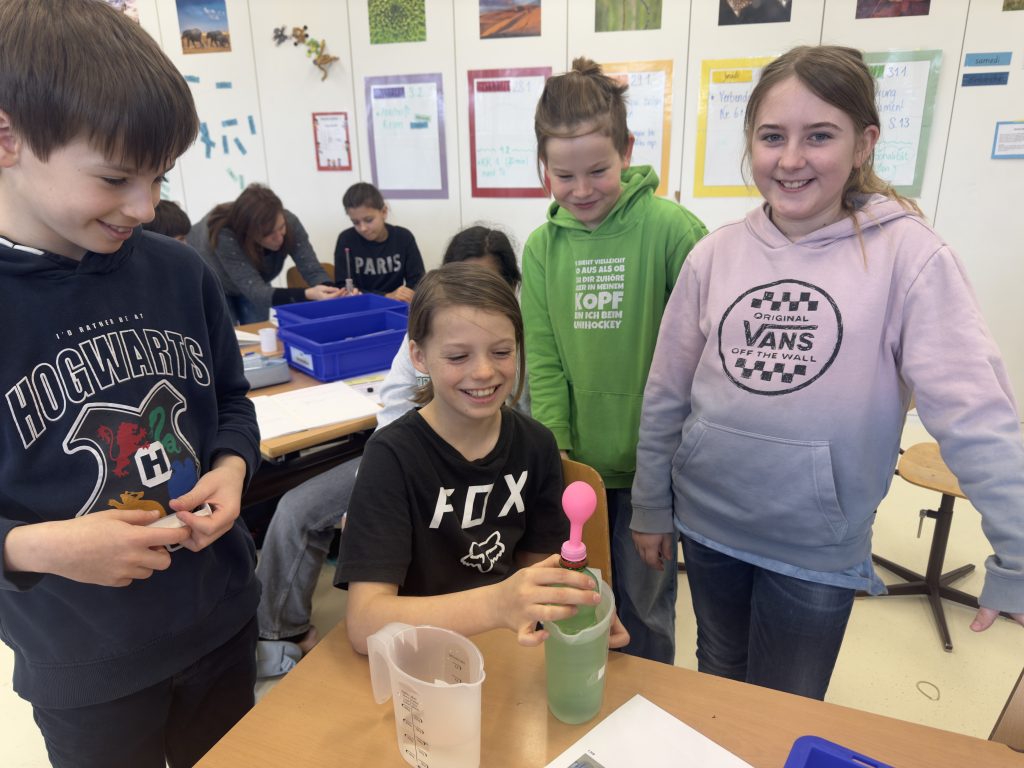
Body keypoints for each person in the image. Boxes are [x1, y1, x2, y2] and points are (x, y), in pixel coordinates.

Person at [631, 45, 1024, 701]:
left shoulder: (911, 259)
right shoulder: (713, 256)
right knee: (719, 677)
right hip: (708, 527)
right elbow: (667, 393)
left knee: (787, 704)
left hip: (815, 550)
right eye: (772, 136)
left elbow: (976, 416)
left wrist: (1018, 554)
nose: (791, 159)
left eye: (819, 136)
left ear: (864, 142)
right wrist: (650, 503)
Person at [0, 1, 262, 766]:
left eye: (160, 177)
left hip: (221, 623)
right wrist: (39, 547)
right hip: (87, 671)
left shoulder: (181, 272)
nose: (145, 207)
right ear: (8, 139)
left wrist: (232, 468)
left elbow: (231, 402)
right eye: (115, 177)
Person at [255, 226, 524, 675]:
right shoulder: (426, 355)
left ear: (511, 288)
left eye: (487, 285)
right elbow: (400, 404)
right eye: (458, 355)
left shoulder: (515, 350)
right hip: (409, 463)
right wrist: (369, 492)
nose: (471, 299)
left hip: (486, 475)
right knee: (296, 509)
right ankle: (280, 630)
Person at [336, 263, 630, 654]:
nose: (484, 371)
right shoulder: (391, 457)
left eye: (502, 352)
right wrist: (496, 604)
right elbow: (364, 625)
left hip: (507, 651)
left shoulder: (536, 445)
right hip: (420, 658)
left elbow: (539, 574)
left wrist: (579, 601)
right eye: (458, 356)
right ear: (419, 357)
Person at [521, 57, 707, 665]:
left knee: (647, 608)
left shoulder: (672, 230)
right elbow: (544, 361)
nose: (582, 190)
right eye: (564, 175)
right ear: (544, 168)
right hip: (580, 469)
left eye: (598, 171)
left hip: (657, 467)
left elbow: (706, 357)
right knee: (584, 599)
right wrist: (557, 457)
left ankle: (648, 704)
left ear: (626, 151)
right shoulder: (542, 248)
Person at [187, 183, 341, 324]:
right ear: (247, 232)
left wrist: (332, 292)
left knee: (258, 328)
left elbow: (312, 269)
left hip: (254, 282)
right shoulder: (224, 234)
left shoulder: (290, 221)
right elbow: (257, 292)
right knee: (228, 333)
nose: (279, 238)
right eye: (268, 234)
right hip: (214, 281)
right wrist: (308, 294)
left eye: (281, 228)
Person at [334, 181, 425, 303]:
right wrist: (385, 296)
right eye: (355, 222)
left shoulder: (403, 237)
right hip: (362, 305)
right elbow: (343, 287)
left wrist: (407, 294)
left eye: (368, 220)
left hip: (397, 304)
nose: (363, 228)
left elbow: (418, 281)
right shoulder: (346, 240)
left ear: (384, 212)